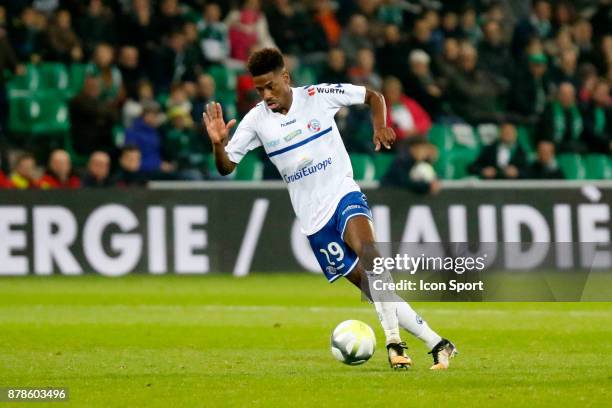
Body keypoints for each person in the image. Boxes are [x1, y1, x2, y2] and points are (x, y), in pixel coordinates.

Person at [203, 48, 456, 370]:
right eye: (259, 90)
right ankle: (438, 344)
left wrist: (380, 125)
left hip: (342, 193)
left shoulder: (317, 96)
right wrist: (217, 144)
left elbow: (373, 95)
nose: (266, 95)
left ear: (285, 78)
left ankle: (394, 343)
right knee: (371, 287)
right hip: (313, 221)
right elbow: (227, 167)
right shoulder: (255, 121)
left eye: (270, 86)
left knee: (372, 260)